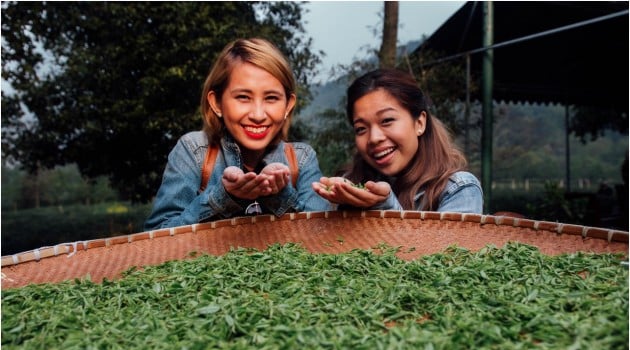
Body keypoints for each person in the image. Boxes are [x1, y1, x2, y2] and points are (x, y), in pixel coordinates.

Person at [145, 38, 329, 230]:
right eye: (243, 97)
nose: (258, 115)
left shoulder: (302, 159)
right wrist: (223, 196)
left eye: (271, 98)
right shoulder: (193, 151)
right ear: (216, 103)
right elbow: (157, 235)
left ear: (288, 105)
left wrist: (279, 195)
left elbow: (323, 236)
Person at [312, 68, 483, 214]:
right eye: (361, 129)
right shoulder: (350, 185)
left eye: (387, 120)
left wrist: (382, 204)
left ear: (420, 123)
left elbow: (442, 246)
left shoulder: (459, 189)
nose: (374, 138)